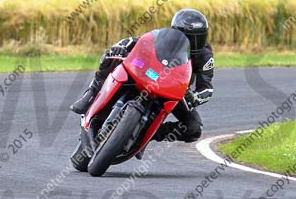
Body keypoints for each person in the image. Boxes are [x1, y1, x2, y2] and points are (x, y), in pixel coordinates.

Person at [69, 8, 214, 142]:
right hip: (146, 75)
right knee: (111, 59)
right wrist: (120, 47)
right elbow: (137, 41)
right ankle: (92, 93)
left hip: (173, 91)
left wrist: (194, 97)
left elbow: (207, 89)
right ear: (174, 31)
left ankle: (148, 134)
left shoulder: (205, 56)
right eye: (187, 37)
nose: (192, 43)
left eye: (198, 38)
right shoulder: (163, 37)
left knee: (194, 128)